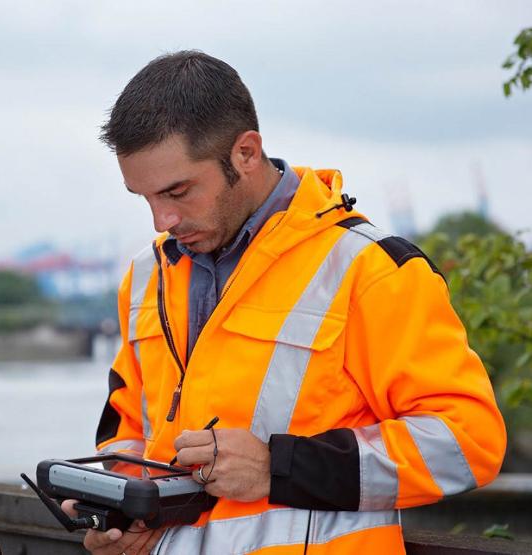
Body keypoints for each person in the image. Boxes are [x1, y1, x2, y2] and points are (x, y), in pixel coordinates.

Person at [61, 51, 506, 554]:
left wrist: (278, 468)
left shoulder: (371, 270)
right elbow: (129, 432)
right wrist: (125, 512)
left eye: (178, 191)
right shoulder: (146, 276)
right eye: (143, 198)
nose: (161, 220)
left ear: (246, 153)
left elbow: (467, 442)